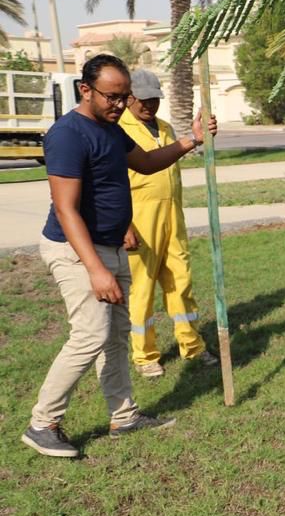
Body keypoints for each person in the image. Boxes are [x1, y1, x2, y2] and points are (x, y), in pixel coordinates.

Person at [23, 55, 209, 459]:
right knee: (90, 334)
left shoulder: (110, 128)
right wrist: (95, 269)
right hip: (77, 250)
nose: (120, 105)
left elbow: (144, 163)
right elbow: (66, 209)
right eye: (113, 96)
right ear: (84, 90)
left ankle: (123, 415)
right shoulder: (68, 134)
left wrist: (191, 140)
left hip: (110, 246)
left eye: (125, 97)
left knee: (116, 336)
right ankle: (43, 423)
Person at [121, 68, 218, 377]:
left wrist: (199, 137)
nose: (150, 106)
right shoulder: (118, 129)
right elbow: (112, 183)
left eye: (155, 100)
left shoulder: (164, 127)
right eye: (144, 100)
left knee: (181, 281)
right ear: (129, 98)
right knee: (142, 288)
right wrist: (125, 225)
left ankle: (192, 346)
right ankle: (145, 355)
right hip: (140, 221)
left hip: (173, 219)